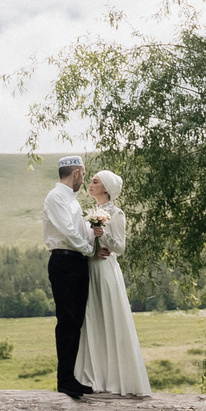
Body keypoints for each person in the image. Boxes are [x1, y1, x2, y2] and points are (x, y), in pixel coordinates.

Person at [73, 169, 151, 396]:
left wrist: (102, 235)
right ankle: (93, 376)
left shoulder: (117, 213)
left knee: (109, 316)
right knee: (92, 318)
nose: (90, 184)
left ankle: (116, 378)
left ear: (106, 188)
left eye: (95, 182)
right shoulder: (89, 213)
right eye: (91, 181)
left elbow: (120, 247)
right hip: (90, 268)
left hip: (106, 270)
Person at [42, 156, 95, 398]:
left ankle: (72, 377)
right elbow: (68, 231)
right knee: (67, 319)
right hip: (64, 261)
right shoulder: (56, 197)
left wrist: (94, 244)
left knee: (77, 320)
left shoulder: (72, 200)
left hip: (77, 261)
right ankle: (64, 379)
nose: (83, 180)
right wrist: (89, 249)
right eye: (83, 175)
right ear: (76, 173)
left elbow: (81, 230)